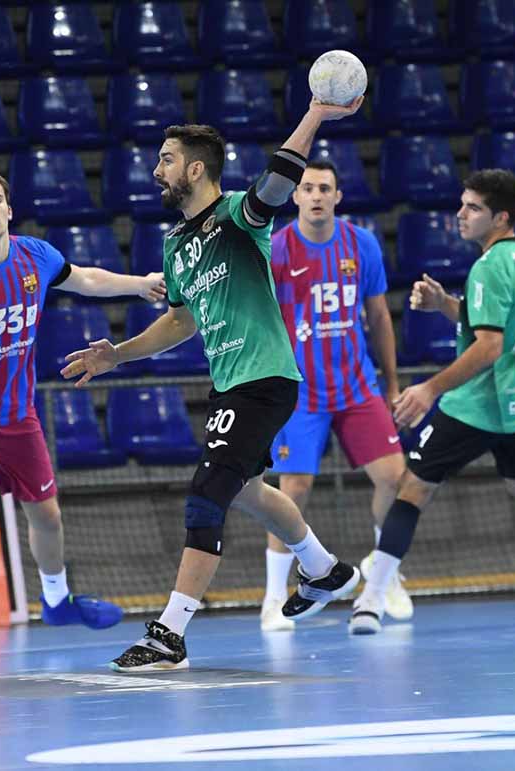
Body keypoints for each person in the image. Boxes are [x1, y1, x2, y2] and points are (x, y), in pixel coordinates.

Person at [62, 97, 365, 672]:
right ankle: (326, 569)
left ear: (195, 168)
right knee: (247, 489)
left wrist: (316, 114)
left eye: (167, 159)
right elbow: (180, 320)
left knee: (206, 495)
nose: (158, 171)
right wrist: (115, 356)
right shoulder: (176, 246)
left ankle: (168, 633)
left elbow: (278, 180)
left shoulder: (237, 217)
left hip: (265, 378)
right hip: (229, 385)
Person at [0, 169, 167, 661]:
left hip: (15, 413)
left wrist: (141, 284)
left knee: (47, 514)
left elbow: (85, 278)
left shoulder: (36, 256)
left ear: (8, 209)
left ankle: (55, 600)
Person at [350, 169, 515, 634]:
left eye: (473, 208)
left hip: (478, 403)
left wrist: (428, 389)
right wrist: (445, 303)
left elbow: (488, 346)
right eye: (462, 204)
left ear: (500, 217)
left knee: (412, 489)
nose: (460, 214)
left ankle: (372, 601)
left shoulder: (487, 266)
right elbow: (497, 321)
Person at [259, 159, 411, 632]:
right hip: (301, 390)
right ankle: (273, 596)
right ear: (296, 196)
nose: (317, 195)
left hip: (357, 386)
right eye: (307, 188)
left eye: (325, 187)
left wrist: (391, 383)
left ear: (338, 196)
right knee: (293, 490)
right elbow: (262, 319)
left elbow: (380, 317)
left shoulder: (361, 243)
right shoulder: (277, 249)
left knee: (395, 477)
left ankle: (384, 576)